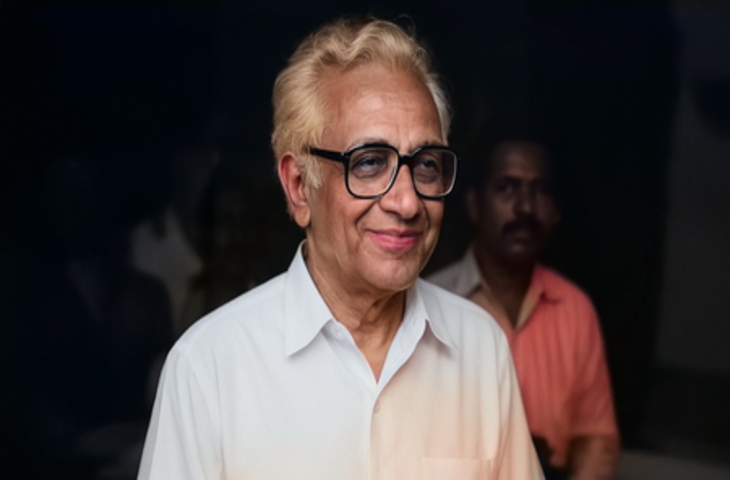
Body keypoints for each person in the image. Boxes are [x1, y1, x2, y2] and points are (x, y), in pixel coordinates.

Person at [138, 15, 543, 480]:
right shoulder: (209, 368)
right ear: (298, 187)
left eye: (426, 165)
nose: (408, 202)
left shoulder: (481, 348)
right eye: (369, 163)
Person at [428, 131, 620, 479]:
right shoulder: (431, 304)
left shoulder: (575, 310)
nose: (525, 207)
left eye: (540, 190)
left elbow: (595, 436)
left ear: (556, 211)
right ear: (475, 205)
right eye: (506, 188)